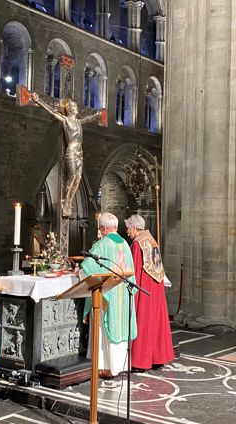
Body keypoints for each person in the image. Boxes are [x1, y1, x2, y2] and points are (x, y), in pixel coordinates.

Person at [80, 212, 137, 378]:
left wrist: (78, 271)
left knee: (104, 328)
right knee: (119, 327)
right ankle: (120, 365)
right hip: (123, 294)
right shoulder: (125, 244)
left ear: (103, 228)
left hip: (107, 295)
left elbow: (87, 269)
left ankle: (104, 366)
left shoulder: (102, 244)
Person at [30, 92, 104, 217]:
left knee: (78, 178)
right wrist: (39, 101)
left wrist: (97, 115)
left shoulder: (79, 122)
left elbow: (90, 118)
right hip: (71, 151)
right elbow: (53, 112)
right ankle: (66, 201)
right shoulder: (65, 120)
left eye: (76, 107)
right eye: (73, 107)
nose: (76, 109)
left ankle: (69, 199)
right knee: (73, 176)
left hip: (80, 153)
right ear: (69, 110)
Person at [124, 214, 174, 371]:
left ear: (134, 227)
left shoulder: (138, 244)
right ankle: (157, 358)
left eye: (128, 228)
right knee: (155, 322)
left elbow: (134, 270)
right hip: (155, 288)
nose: (127, 232)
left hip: (143, 289)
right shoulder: (152, 241)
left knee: (144, 322)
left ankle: (141, 361)